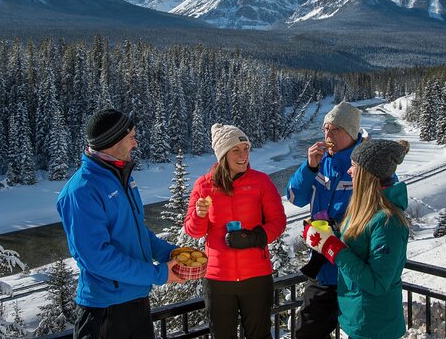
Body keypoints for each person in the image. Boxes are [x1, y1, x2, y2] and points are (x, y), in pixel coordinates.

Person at [57, 108, 185, 339]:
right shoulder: (81, 191)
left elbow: (135, 231)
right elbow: (97, 258)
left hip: (136, 301)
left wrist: (170, 252)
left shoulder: (120, 177)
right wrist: (158, 273)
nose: (136, 144)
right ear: (113, 141)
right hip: (104, 310)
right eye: (132, 137)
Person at [184, 123, 287, 339]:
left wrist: (254, 238)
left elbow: (278, 222)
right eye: (236, 150)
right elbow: (193, 231)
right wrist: (199, 215)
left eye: (246, 148)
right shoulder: (203, 185)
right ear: (222, 154)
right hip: (218, 280)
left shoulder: (261, 182)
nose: (243, 155)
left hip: (256, 277)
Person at [302, 139, 410, 339]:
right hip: (359, 318)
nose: (349, 172)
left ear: (369, 174)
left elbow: (378, 282)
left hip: (376, 326)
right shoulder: (364, 209)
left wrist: (331, 247)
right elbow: (355, 250)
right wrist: (326, 235)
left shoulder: (387, 221)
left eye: (354, 166)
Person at [286, 101, 364, 338]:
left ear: (351, 133)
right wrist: (309, 167)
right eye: (325, 129)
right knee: (306, 333)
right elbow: (294, 197)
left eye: (335, 130)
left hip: (355, 274)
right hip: (324, 270)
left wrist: (338, 231)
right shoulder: (320, 162)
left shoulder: (365, 163)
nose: (328, 135)